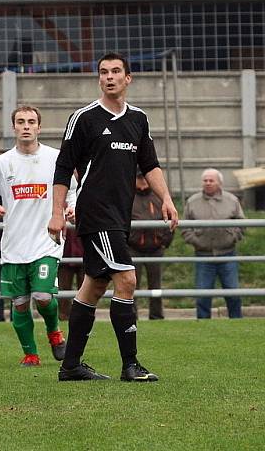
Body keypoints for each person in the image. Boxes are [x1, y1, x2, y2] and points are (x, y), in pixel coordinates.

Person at [48, 53, 178, 382]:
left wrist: (167, 199)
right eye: (104, 72)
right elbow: (63, 167)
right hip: (96, 213)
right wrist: (56, 214)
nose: (109, 77)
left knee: (93, 286)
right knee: (128, 279)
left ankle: (71, 365)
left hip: (120, 215)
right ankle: (130, 365)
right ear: (99, 79)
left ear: (128, 78)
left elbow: (150, 165)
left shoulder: (138, 119)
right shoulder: (84, 118)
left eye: (116, 71)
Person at [0, 107, 72, 366]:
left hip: (47, 241)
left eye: (31, 122)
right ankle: (30, 353)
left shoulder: (56, 158)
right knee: (19, 303)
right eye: (21, 122)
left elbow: (74, 190)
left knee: (42, 296)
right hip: (14, 245)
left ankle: (54, 333)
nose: (26, 126)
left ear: (39, 128)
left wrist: (71, 207)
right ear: (14, 128)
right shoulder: (2, 163)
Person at [181, 168, 245, 319]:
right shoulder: (192, 202)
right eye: (205, 180)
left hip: (228, 255)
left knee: (233, 292)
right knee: (203, 294)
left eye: (211, 180)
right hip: (203, 256)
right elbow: (184, 226)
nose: (208, 183)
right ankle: (203, 323)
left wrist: (233, 237)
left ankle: (237, 322)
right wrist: (195, 241)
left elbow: (241, 223)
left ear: (219, 183)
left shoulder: (232, 200)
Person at [128, 169, 173, 320]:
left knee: (156, 285)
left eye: (145, 178)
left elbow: (171, 220)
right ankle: (131, 316)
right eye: (139, 178)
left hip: (155, 249)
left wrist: (164, 242)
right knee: (132, 284)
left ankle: (157, 316)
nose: (143, 181)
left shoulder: (159, 197)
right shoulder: (128, 196)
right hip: (133, 249)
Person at [57, 234, 85, 321]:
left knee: (86, 288)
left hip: (85, 253)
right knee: (64, 287)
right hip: (65, 253)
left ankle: (84, 316)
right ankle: (64, 316)